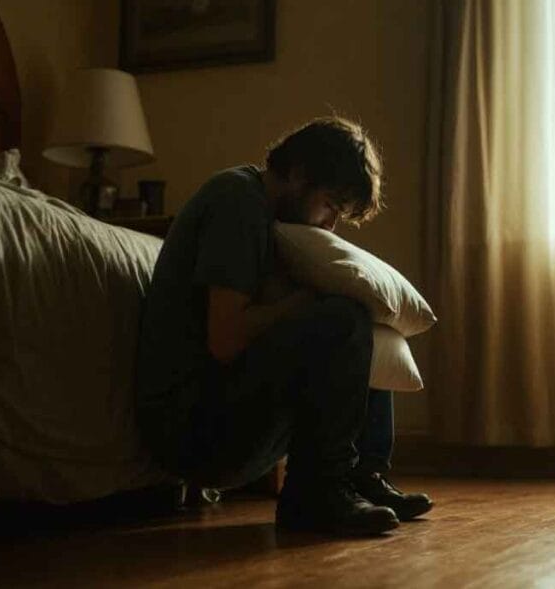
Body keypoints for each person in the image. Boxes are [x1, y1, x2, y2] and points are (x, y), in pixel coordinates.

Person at [134, 116, 432, 536]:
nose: (330, 225)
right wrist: (302, 303)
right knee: (341, 317)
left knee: (361, 311)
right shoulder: (236, 201)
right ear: (297, 174)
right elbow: (225, 339)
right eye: (330, 205)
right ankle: (316, 495)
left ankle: (361, 476)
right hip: (190, 428)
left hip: (227, 412)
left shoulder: (271, 217)